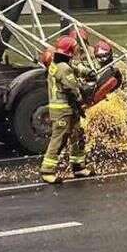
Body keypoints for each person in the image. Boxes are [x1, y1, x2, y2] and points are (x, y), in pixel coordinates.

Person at [41, 34, 94, 184]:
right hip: (63, 110)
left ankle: (78, 167)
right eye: (75, 49)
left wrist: (86, 72)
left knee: (78, 135)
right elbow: (73, 88)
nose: (77, 51)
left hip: (68, 109)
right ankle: (47, 171)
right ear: (70, 50)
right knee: (59, 139)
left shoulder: (58, 63)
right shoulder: (63, 68)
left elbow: (75, 67)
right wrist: (86, 92)